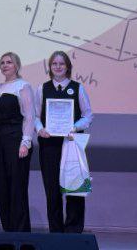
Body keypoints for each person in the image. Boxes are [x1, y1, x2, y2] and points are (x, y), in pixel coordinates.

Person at [35, 50, 93, 233]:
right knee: (52, 190)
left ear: (68, 67)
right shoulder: (42, 88)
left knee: (74, 188)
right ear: (50, 67)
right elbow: (35, 116)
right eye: (54, 64)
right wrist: (40, 129)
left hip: (71, 144)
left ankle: (73, 231)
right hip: (49, 145)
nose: (58, 67)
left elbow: (88, 115)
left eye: (61, 64)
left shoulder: (77, 88)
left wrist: (74, 127)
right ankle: (56, 231)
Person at [0, 52, 35, 232]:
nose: (5, 65)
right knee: (1, 186)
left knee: (17, 187)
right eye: (2, 62)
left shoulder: (23, 86)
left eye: (9, 62)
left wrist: (26, 142)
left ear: (17, 65)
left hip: (16, 139)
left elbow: (30, 117)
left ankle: (21, 233)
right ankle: (8, 231)